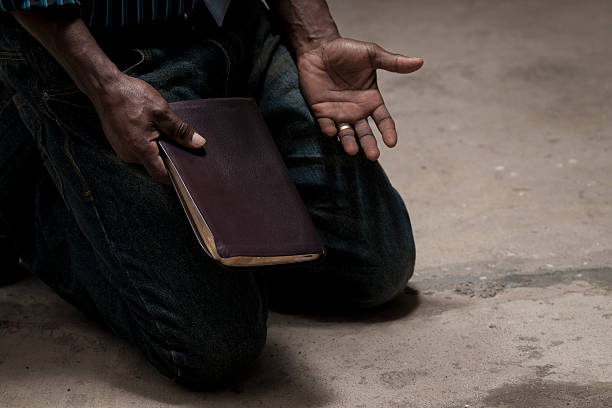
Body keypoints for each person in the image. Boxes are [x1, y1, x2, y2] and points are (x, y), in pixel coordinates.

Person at [0, 0, 421, 389]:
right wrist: (104, 85)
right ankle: (23, 158)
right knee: (214, 346)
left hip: (233, 19)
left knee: (373, 271)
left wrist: (317, 39)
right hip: (108, 49)